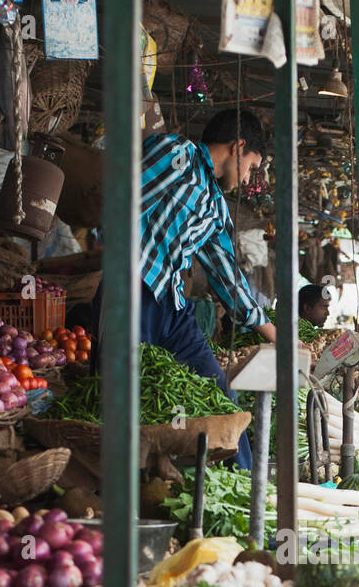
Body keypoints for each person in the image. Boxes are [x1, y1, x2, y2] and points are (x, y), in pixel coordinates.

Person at [91, 107, 275, 469]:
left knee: (219, 395)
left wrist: (272, 332)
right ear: (237, 146)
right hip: (131, 292)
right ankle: (115, 498)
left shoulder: (217, 207)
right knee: (123, 401)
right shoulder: (175, 154)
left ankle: (245, 488)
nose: (247, 178)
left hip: (173, 308)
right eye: (251, 167)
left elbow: (227, 274)